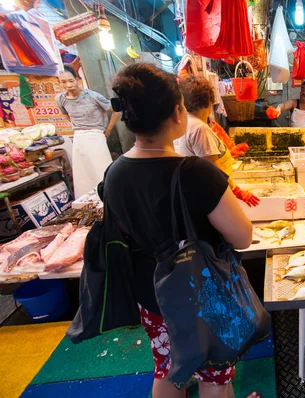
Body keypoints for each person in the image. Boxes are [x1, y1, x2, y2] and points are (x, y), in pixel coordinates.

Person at [102, 63, 258, 398]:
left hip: (152, 293)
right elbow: (243, 237)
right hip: (203, 293)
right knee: (214, 375)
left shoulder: (114, 173)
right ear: (177, 111)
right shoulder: (196, 173)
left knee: (169, 367)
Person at [176, 76, 259, 207]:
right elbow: (213, 168)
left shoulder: (185, 123)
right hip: (210, 195)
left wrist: (228, 153)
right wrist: (238, 191)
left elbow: (201, 157)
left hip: (196, 193)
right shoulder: (199, 128)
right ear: (208, 102)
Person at [55, 65, 120, 198]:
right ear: (59, 83)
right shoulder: (60, 99)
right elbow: (66, 114)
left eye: (71, 80)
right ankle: (87, 202)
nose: (68, 85)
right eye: (63, 82)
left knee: (102, 170)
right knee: (83, 174)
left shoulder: (92, 96)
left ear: (76, 79)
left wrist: (107, 130)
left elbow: (116, 111)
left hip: (96, 135)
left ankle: (110, 199)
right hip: (78, 136)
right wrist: (77, 126)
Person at [273, 80, 305, 147]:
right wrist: (279, 108)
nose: (303, 92)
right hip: (293, 144)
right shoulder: (294, 103)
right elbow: (284, 105)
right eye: (302, 89)